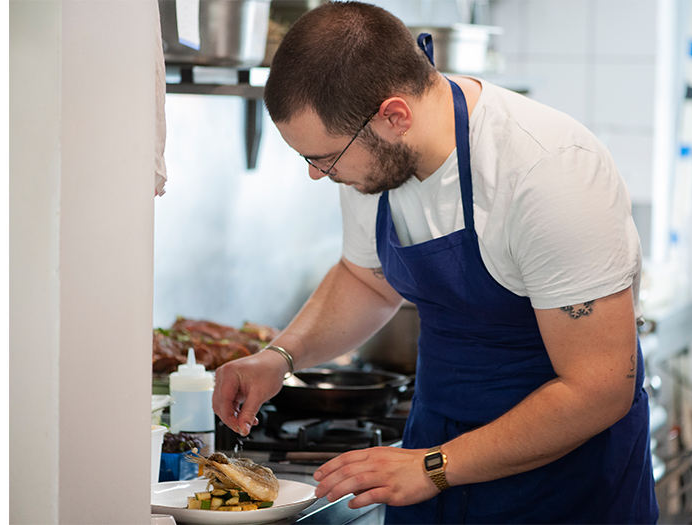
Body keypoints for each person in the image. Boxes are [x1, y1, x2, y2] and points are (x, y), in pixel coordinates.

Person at [212, 2, 658, 523]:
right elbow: (368, 281)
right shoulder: (373, 161)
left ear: (394, 116)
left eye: (325, 158)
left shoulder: (548, 173)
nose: (318, 174)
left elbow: (598, 388)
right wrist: (278, 358)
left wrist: (433, 468)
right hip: (433, 451)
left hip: (562, 480)